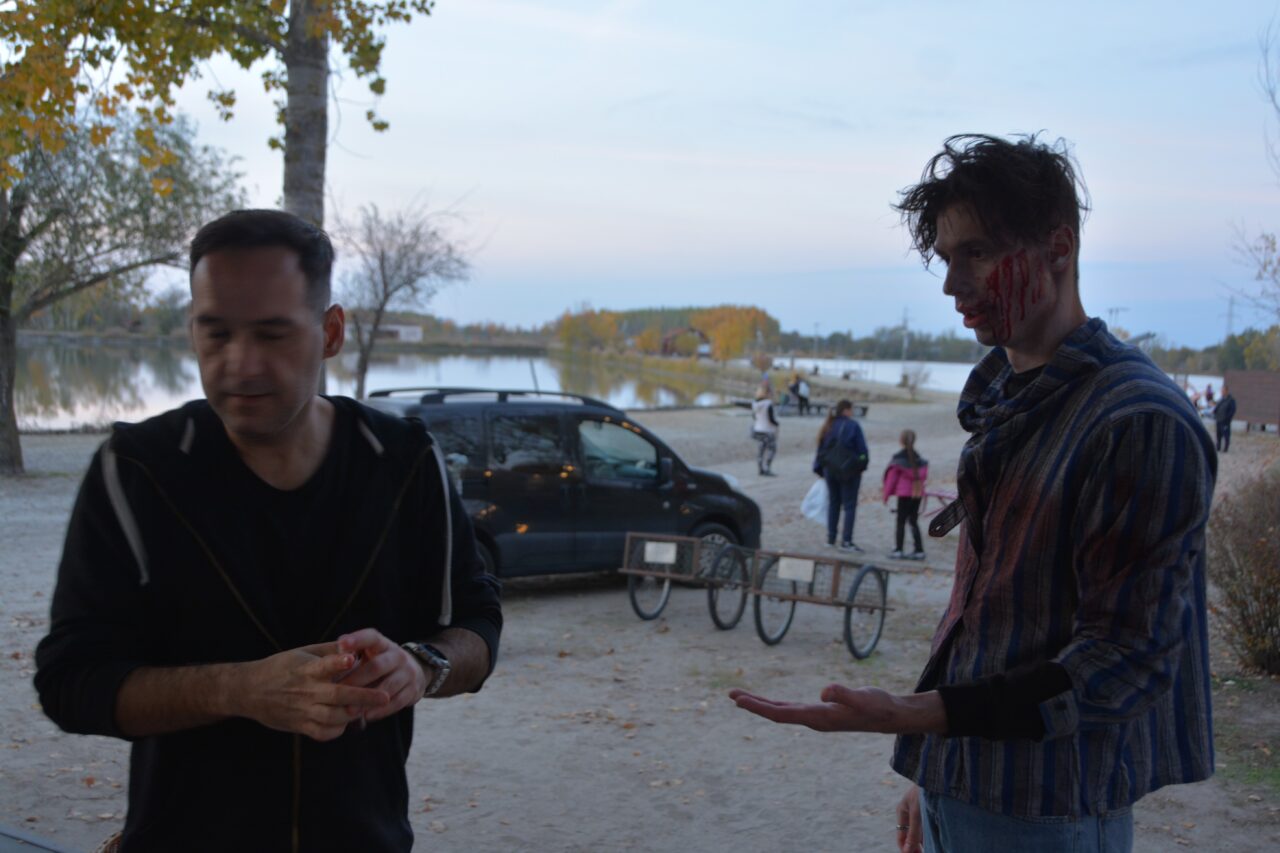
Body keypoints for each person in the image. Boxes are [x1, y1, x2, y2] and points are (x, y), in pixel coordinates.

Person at [731, 134, 1215, 853]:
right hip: (962, 789)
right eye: (946, 258)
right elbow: (994, 617)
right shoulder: (1009, 401)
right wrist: (936, 772)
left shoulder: (1136, 420)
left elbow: (1123, 662)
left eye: (978, 253)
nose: (952, 285)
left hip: (1048, 812)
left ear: (1059, 247)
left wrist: (913, 714)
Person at [34, 209, 503, 853]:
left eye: (272, 334)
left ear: (330, 332)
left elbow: (477, 623)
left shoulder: (405, 462)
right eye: (216, 333)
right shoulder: (137, 470)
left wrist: (422, 667)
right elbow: (69, 683)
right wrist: (242, 689)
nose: (240, 364)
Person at [812, 399, 868, 550]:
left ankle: (831, 538)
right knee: (849, 506)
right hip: (848, 471)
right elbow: (862, 451)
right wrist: (861, 465)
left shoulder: (828, 426)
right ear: (846, 410)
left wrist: (819, 469)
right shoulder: (853, 426)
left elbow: (821, 450)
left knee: (834, 503)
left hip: (830, 469)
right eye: (851, 409)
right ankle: (846, 541)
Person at [882, 429, 928, 560]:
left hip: (904, 494)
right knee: (913, 521)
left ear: (901, 441)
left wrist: (886, 495)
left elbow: (891, 480)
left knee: (900, 521)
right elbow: (924, 477)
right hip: (917, 493)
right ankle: (919, 550)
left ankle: (899, 549)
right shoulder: (920, 460)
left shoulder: (898, 460)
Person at [751, 385, 779, 476]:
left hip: (758, 429)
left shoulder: (755, 403)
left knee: (761, 450)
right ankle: (767, 468)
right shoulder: (768, 403)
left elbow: (754, 417)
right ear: (767, 393)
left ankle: (760, 469)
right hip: (767, 430)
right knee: (772, 449)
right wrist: (777, 424)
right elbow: (771, 419)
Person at [1214, 384, 1237, 453]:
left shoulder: (1231, 400)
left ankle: (1226, 448)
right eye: (1221, 391)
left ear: (1226, 391)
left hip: (1225, 421)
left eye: (1223, 391)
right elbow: (1217, 407)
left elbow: (1232, 410)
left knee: (1226, 435)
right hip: (1219, 419)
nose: (1222, 392)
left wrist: (1227, 419)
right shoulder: (1221, 399)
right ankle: (1218, 446)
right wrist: (1215, 412)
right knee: (1218, 434)